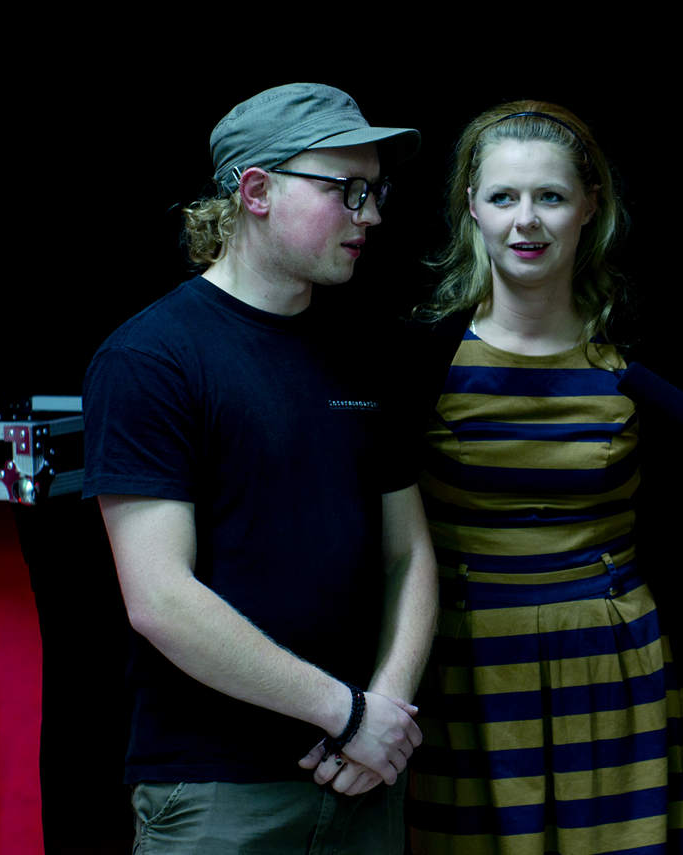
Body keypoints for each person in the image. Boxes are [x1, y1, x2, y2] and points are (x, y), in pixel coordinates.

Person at [82, 82, 439, 853]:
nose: (370, 215)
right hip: (218, 790)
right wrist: (346, 712)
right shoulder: (150, 359)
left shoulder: (367, 351)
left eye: (375, 191)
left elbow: (408, 554)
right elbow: (160, 599)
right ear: (256, 192)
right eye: (346, 189)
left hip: (362, 777)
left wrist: (383, 710)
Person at [404, 101, 683, 853]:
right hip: (466, 668)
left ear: (590, 206)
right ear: (472, 207)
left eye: (551, 197)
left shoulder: (640, 354)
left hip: (609, 664)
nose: (526, 221)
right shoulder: (421, 359)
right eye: (504, 197)